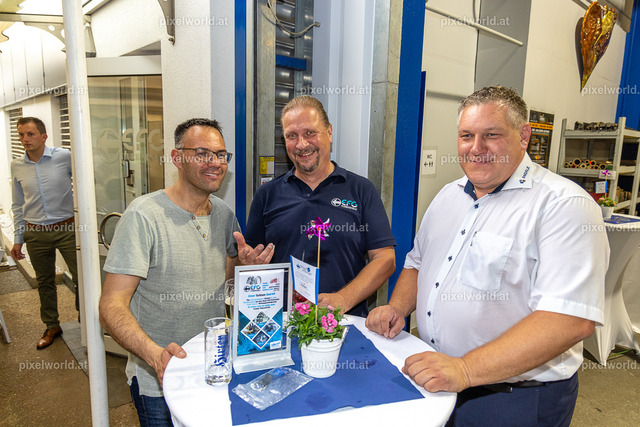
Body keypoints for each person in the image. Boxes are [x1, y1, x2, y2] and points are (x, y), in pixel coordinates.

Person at [365, 86, 609, 426]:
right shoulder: (448, 196)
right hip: (440, 376)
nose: (476, 148)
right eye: (467, 136)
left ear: (524, 136)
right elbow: (417, 264)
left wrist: (465, 369)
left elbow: (568, 319)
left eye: (491, 135)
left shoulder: (564, 206)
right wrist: (397, 308)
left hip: (514, 399)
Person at [99, 118, 273, 426]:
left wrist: (245, 271)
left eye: (220, 154)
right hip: (159, 376)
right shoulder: (143, 216)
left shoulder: (224, 214)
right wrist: (154, 355)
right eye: (202, 153)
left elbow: (226, 281)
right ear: (177, 158)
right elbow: (111, 305)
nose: (215, 162)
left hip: (214, 368)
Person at [237, 95, 396, 317]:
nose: (301, 144)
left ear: (329, 132)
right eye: (291, 136)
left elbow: (385, 259)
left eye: (310, 133)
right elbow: (253, 262)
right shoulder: (267, 195)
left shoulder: (361, 190)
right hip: (283, 323)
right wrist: (247, 266)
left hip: (346, 322)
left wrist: (343, 298)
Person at [10, 117, 79, 350]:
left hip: (67, 229)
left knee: (81, 277)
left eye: (30, 134)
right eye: (21, 135)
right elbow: (17, 204)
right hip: (35, 232)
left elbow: (85, 183)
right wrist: (18, 238)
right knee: (45, 282)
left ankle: (85, 319)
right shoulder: (17, 165)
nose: (25, 139)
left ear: (44, 136)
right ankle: (52, 325)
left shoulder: (64, 156)